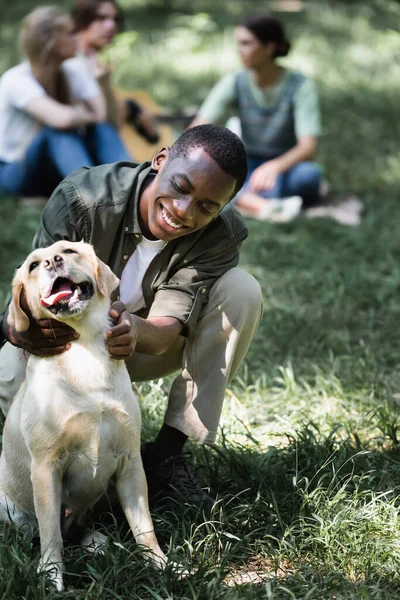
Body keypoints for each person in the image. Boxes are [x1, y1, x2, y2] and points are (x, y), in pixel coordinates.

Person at [0, 124, 263, 511]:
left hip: (145, 345)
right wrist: (18, 330)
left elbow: (166, 331)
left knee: (243, 291)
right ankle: (63, 466)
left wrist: (135, 329)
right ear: (160, 161)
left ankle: (167, 458)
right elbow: (38, 290)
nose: (183, 210)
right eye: (181, 187)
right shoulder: (82, 198)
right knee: (9, 366)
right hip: (68, 343)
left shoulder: (219, 236)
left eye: (207, 206)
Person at [191, 14, 323, 220]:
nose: (239, 50)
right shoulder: (235, 81)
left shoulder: (300, 85)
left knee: (310, 176)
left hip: (285, 162)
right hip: (247, 159)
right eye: (238, 44)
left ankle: (245, 199)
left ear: (269, 47)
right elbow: (199, 125)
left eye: (246, 43)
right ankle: (267, 204)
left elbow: (308, 147)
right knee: (213, 173)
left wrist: (274, 167)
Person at [0, 6, 131, 199]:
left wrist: (101, 84)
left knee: (101, 128)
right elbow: (62, 119)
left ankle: (133, 183)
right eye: (70, 34)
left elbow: (103, 116)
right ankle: (92, 196)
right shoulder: (16, 79)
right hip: (16, 172)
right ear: (51, 41)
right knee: (55, 131)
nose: (77, 38)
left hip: (54, 170)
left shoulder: (72, 70)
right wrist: (85, 115)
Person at [71, 0, 159, 146]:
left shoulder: (94, 59)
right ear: (81, 20)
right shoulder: (68, 57)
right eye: (101, 18)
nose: (111, 26)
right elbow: (109, 122)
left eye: (115, 20)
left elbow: (112, 120)